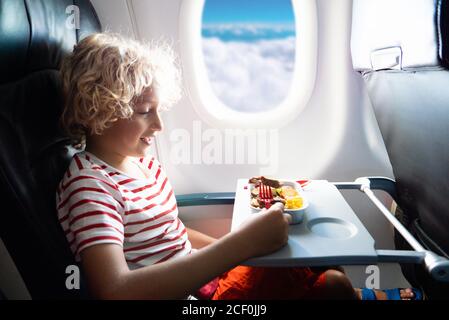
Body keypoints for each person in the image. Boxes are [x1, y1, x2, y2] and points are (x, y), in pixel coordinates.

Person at [56, 33, 420, 300]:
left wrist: (241, 248)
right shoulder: (90, 186)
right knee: (330, 287)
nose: (159, 126)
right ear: (99, 112)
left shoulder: (143, 167)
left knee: (312, 263)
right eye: (143, 112)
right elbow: (114, 291)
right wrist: (238, 249)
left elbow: (174, 237)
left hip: (206, 282)